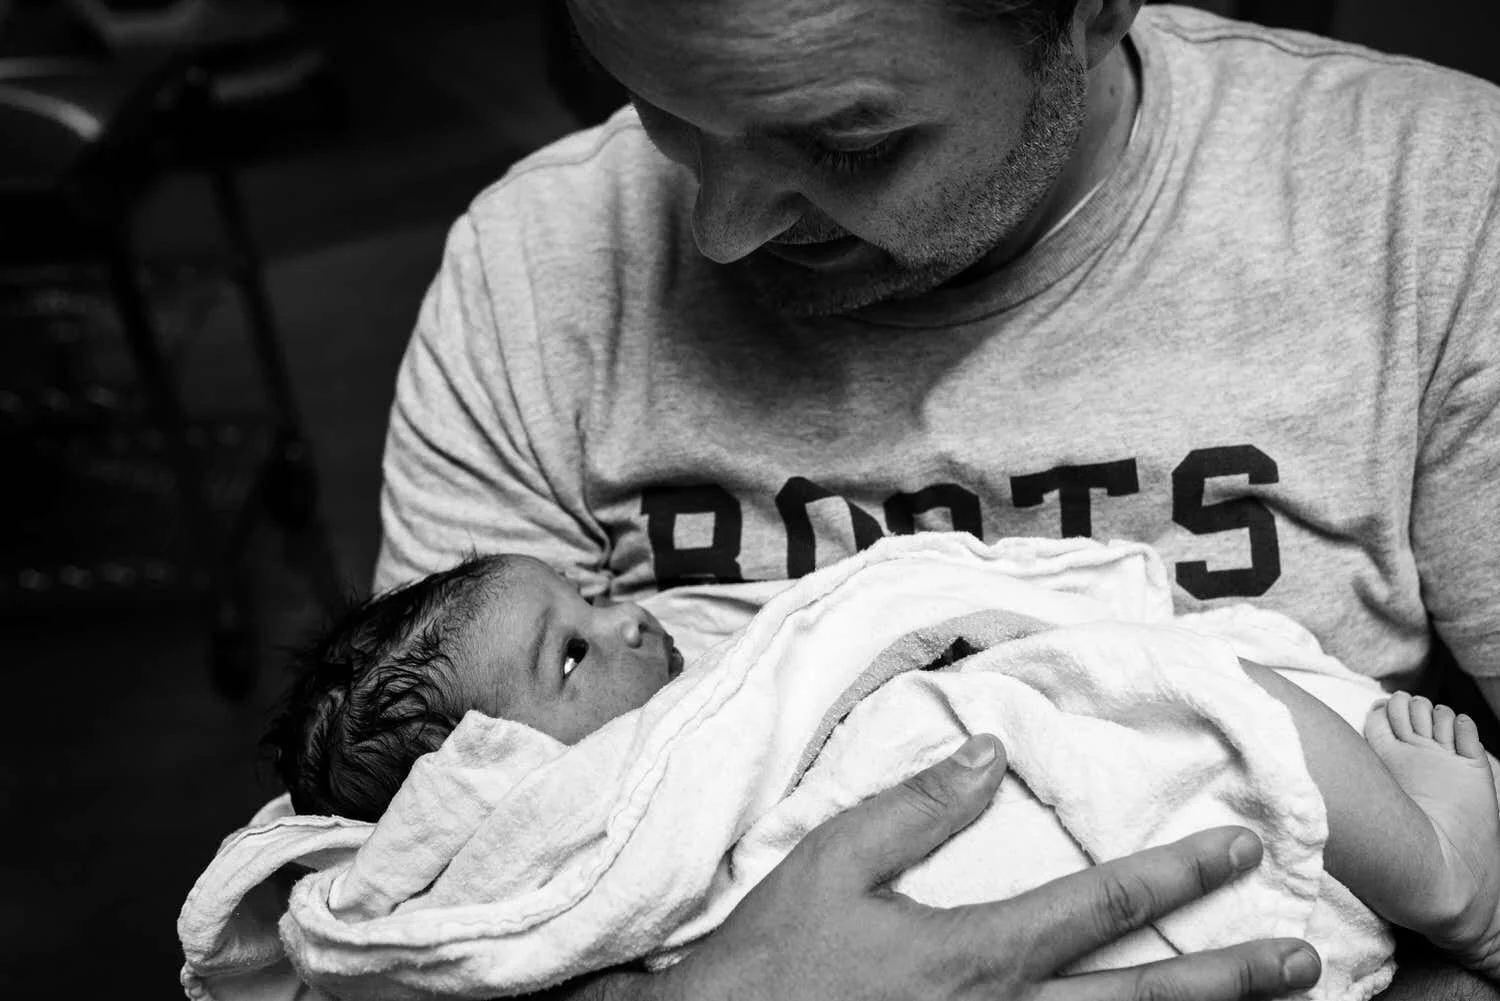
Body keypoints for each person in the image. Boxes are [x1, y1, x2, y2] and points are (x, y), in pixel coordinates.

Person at [372, 0, 1500, 998]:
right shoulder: (532, 272)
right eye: (662, 110)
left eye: (848, 143)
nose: (723, 227)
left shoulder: (1432, 203)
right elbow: (396, 900)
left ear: (1094, 10)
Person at [260, 546, 1500, 995]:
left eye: (590, 595)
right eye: (573, 650)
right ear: (498, 780)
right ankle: (1447, 867)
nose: (631, 615)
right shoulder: (559, 838)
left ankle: (1436, 869)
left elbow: (850, 638)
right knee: (1142, 680)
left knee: (1126, 682)